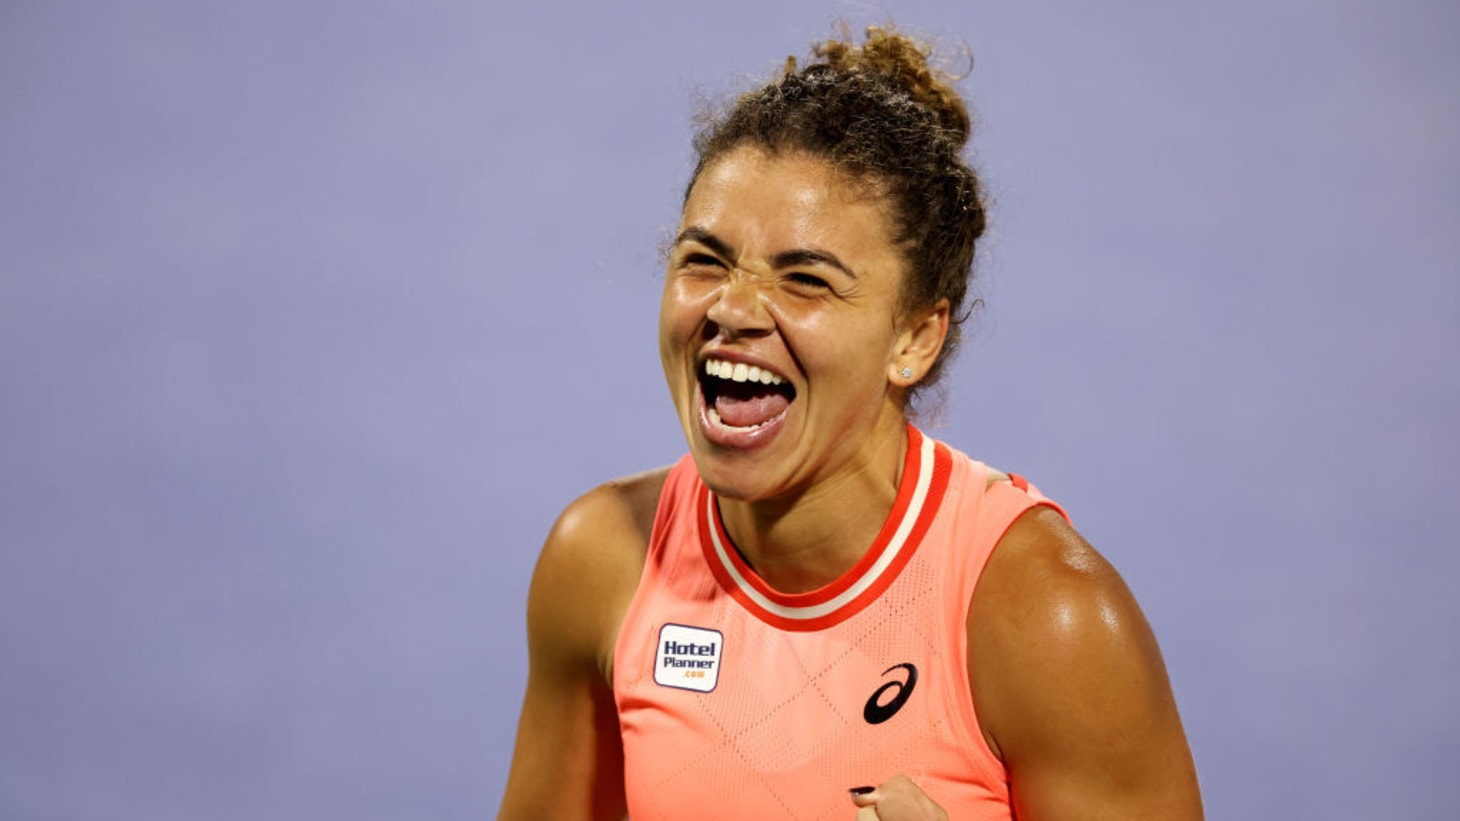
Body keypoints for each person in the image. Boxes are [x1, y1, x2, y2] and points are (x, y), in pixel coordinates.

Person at [498, 25, 1203, 821]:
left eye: (805, 280)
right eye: (705, 261)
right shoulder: (601, 563)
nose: (732, 308)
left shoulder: (1047, 618)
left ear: (914, 338)